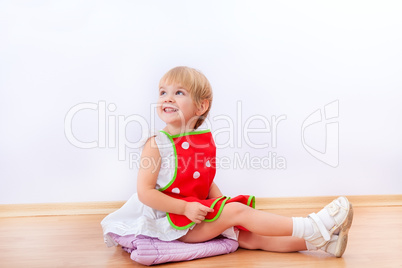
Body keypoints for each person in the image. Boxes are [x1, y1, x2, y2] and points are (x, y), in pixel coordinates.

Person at [101, 66, 353, 258]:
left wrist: (219, 203)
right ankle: (313, 225)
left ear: (201, 106)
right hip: (173, 222)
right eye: (163, 92)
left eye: (179, 93)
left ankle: (320, 243)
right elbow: (145, 193)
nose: (167, 98)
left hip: (195, 214)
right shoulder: (157, 144)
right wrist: (185, 209)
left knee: (249, 236)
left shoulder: (203, 141)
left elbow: (205, 181)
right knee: (237, 212)